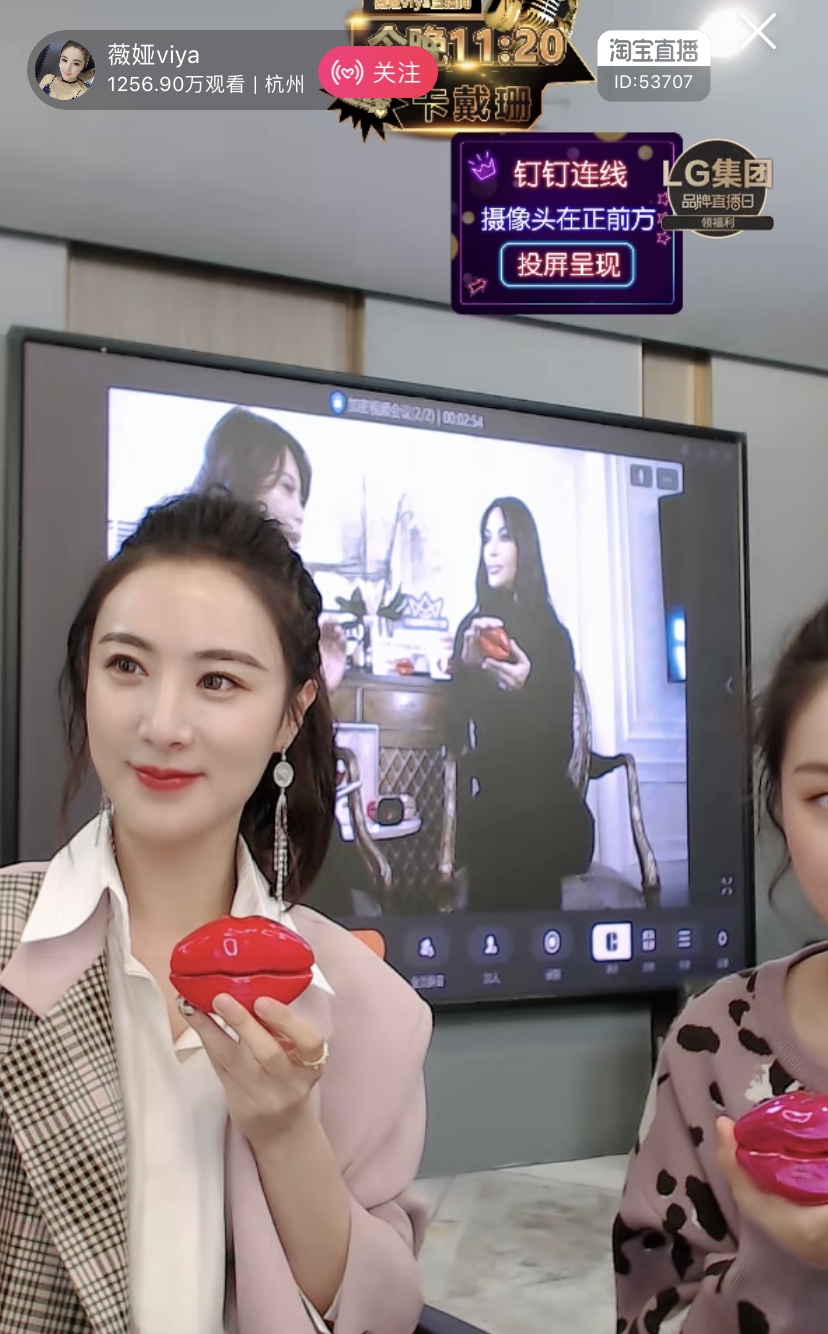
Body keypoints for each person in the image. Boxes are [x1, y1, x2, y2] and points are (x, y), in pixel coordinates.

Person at [0, 490, 432, 1333]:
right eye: (126, 667)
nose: (162, 724)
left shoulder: (371, 1013)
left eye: (218, 681)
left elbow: (379, 1317)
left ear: (290, 715)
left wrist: (285, 1131)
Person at [615, 598, 828, 1332]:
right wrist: (790, 1258)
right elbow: (652, 1316)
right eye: (827, 796)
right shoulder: (716, 1044)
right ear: (781, 811)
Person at [192, 407, 374, 918]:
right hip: (236, 846)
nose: (299, 510)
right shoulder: (203, 586)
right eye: (288, 488)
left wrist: (318, 681)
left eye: (302, 495)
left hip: (289, 836)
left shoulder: (285, 592)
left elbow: (287, 742)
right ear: (242, 478)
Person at [445, 496, 594, 913]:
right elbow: (453, 734)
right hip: (495, 807)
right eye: (486, 538)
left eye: (504, 537)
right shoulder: (473, 631)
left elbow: (559, 748)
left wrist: (526, 692)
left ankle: (510, 949)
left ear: (524, 548)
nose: (491, 550)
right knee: (502, 839)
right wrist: (466, 671)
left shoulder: (553, 636)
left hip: (551, 808)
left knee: (519, 838)